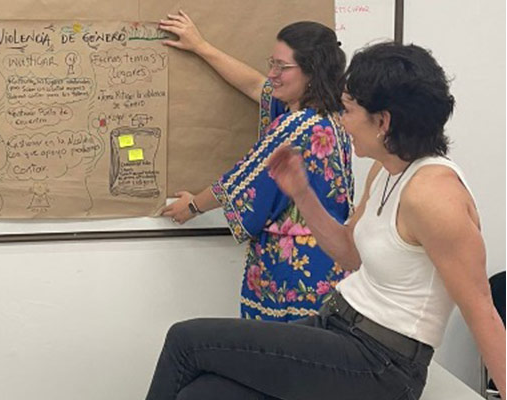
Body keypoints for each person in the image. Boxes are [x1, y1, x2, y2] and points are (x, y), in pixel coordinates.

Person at [145, 42, 505, 400]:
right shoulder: (386, 168)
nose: (342, 122)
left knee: (186, 341)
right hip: (337, 325)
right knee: (202, 392)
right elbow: (350, 254)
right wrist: (302, 194)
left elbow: (482, 311)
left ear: (383, 121)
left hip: (381, 365)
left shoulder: (435, 198)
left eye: (348, 110)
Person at [158, 12, 353, 321]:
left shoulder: (296, 126)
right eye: (272, 62)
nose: (273, 73)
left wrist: (193, 206)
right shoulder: (333, 115)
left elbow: (243, 179)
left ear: (312, 72)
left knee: (278, 358)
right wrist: (200, 46)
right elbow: (253, 84)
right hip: (326, 267)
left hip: (294, 273)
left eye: (283, 67)